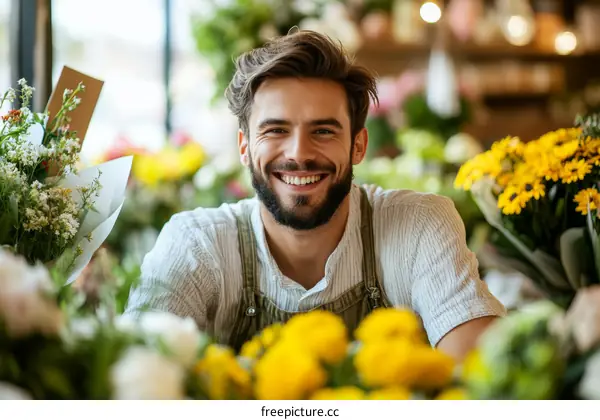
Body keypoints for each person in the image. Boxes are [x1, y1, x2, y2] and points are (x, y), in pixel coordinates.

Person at [125, 30, 506, 361]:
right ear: (244, 146)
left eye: (323, 131)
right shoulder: (197, 244)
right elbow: (135, 379)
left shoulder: (418, 225)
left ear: (359, 145)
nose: (299, 153)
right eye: (275, 130)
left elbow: (478, 379)